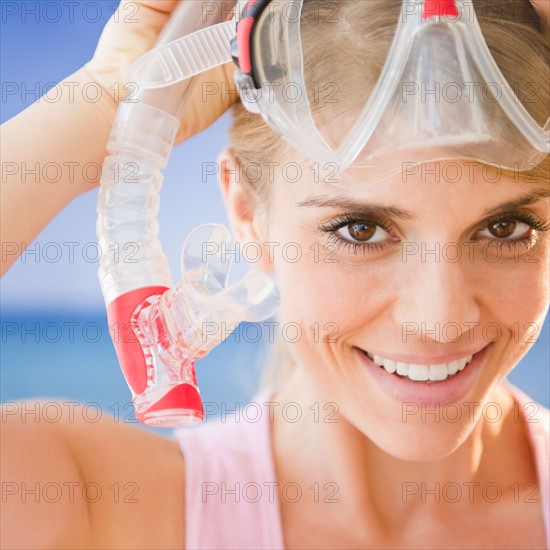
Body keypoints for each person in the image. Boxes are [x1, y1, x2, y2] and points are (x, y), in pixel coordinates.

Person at [1, 0, 549, 548]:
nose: (440, 321)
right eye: (360, 231)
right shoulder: (96, 507)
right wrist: (112, 102)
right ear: (247, 213)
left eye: (505, 229)